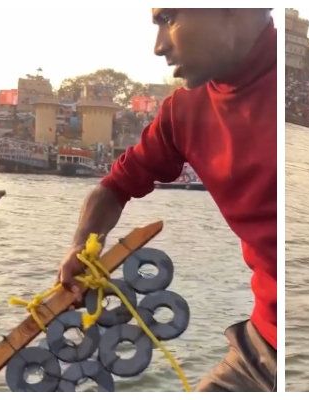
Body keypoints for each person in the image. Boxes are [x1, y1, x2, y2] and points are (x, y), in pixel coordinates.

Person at [56, 8, 277, 392]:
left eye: (170, 18)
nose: (159, 46)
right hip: (260, 347)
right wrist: (81, 246)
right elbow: (112, 187)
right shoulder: (183, 112)